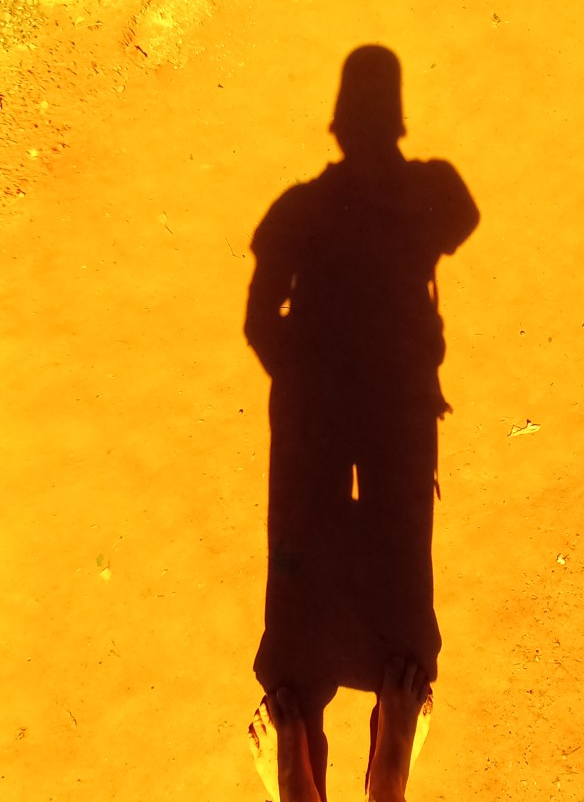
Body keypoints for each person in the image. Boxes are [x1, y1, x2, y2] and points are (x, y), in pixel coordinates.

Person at [245, 45, 479, 802]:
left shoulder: (294, 212)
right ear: (396, 119)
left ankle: (299, 774)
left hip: (317, 397)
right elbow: (461, 215)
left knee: (306, 523)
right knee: (397, 523)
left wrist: (307, 373)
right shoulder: (426, 189)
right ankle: (389, 767)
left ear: (337, 124)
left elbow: (258, 321)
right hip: (395, 391)